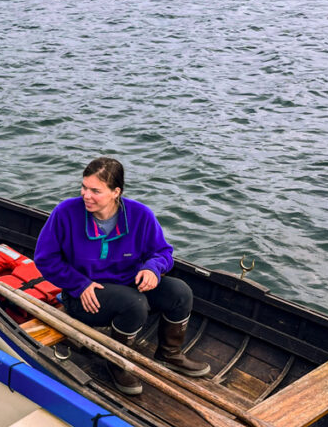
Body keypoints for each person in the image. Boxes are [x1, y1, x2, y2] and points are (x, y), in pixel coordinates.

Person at [34, 157, 210, 395]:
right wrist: (79, 284)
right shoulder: (65, 213)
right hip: (85, 296)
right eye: (84, 187)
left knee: (180, 292)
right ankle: (115, 362)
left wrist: (152, 268)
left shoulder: (140, 215)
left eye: (96, 190)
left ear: (116, 192)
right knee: (134, 304)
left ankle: (169, 354)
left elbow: (163, 252)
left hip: (128, 284)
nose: (86, 195)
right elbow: (45, 259)